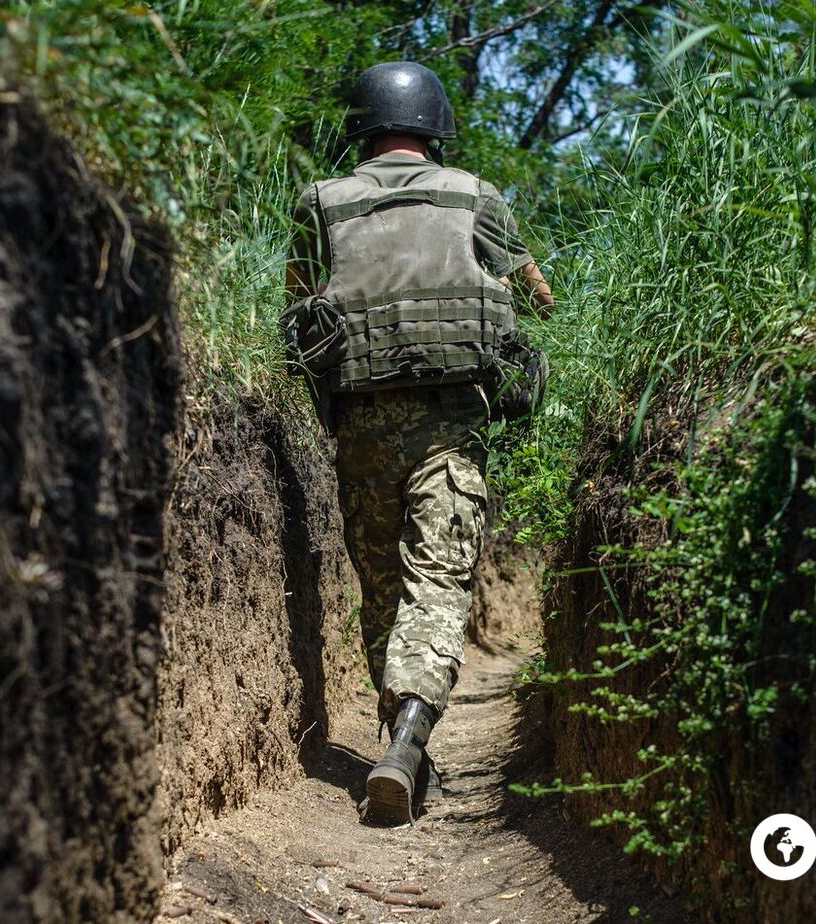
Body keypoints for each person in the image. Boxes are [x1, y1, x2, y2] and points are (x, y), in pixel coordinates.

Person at [282, 61, 554, 826]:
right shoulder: (475, 195)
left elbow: (297, 311)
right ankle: (410, 734)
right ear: (435, 126)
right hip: (451, 422)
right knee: (436, 580)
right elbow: (542, 299)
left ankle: (402, 743)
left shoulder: (320, 202)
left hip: (359, 425)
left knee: (383, 590)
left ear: (363, 126)